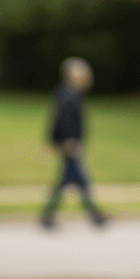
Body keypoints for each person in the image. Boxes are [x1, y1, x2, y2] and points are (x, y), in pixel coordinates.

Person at [41, 57, 107, 229]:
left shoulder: (67, 93)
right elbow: (64, 121)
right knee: (77, 180)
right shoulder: (69, 95)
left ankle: (50, 215)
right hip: (70, 145)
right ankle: (95, 215)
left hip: (68, 145)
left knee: (68, 180)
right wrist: (69, 142)